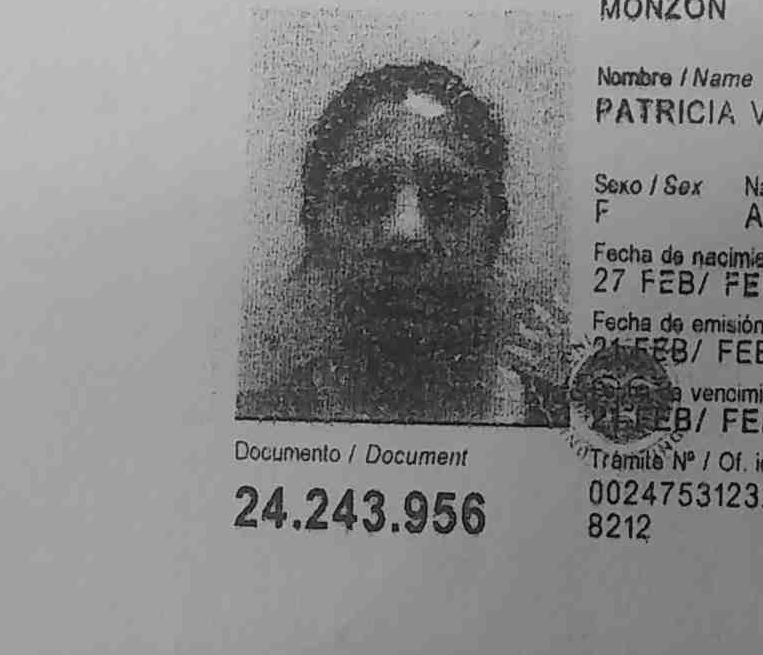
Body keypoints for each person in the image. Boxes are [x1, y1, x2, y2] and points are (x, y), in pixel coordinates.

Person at [238, 61, 567, 425]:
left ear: (495, 229)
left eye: (449, 197)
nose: (407, 233)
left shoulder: (568, 423)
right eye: (365, 194)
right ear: (315, 226)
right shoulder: (258, 419)